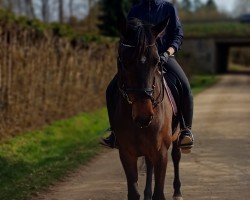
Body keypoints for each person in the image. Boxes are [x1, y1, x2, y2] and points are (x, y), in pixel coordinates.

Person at [101, 0, 194, 152]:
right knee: (111, 89)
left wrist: (167, 53)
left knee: (185, 87)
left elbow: (178, 35)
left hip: (164, 57)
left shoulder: (168, 8)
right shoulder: (136, 10)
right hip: (139, 61)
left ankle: (185, 130)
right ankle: (115, 132)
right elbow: (127, 35)